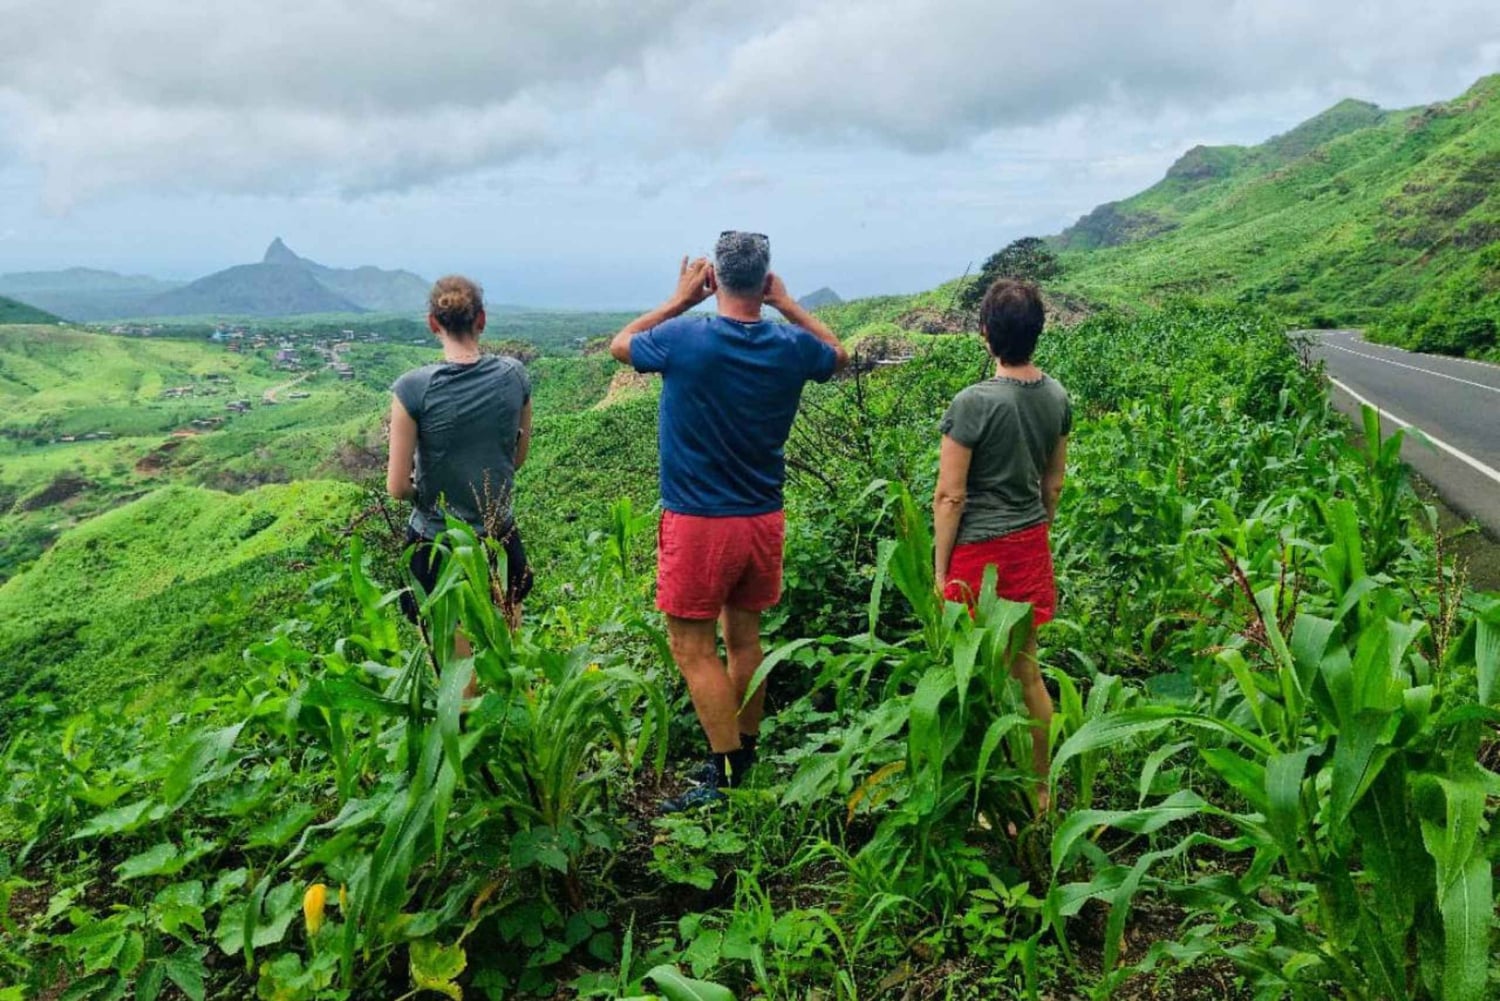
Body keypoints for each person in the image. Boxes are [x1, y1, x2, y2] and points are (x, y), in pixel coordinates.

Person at [610, 231, 850, 810]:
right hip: (762, 518)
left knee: (692, 648)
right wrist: (787, 304)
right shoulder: (790, 346)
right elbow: (838, 355)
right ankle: (745, 748)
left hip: (698, 522)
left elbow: (621, 345)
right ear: (766, 279)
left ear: (714, 276)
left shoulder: (685, 338)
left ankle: (727, 775)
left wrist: (680, 299)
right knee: (745, 639)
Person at [932, 278, 1069, 815]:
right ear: (1037, 332)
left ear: (984, 332)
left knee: (971, 672)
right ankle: (1039, 791)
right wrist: (1040, 530)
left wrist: (941, 568)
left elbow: (950, 496)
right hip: (1029, 541)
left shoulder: (972, 403)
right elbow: (1052, 484)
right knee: (1026, 669)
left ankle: (985, 793)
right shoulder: (1056, 396)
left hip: (977, 556)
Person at [387, 275, 534, 673]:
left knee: (455, 669)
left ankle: (467, 730)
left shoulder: (411, 390)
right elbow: (516, 458)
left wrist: (429, 490)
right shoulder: (515, 376)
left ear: (433, 323)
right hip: (499, 536)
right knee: (509, 655)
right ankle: (515, 727)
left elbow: (397, 486)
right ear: (481, 319)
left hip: (435, 545)